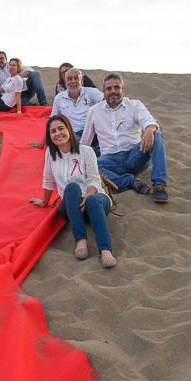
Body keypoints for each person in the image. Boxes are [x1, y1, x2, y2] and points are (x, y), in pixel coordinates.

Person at [29, 115, 116, 268]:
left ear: (69, 128)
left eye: (61, 128)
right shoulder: (50, 153)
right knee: (71, 187)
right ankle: (81, 240)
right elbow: (48, 179)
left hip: (95, 200)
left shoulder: (86, 151)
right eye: (53, 131)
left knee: (93, 200)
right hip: (71, 204)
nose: (57, 133)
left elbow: (95, 180)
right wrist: (44, 201)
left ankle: (105, 250)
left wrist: (88, 194)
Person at [81, 73, 169, 203]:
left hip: (135, 156)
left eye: (117, 87)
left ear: (123, 90)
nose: (113, 91)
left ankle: (159, 184)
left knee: (156, 135)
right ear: (104, 91)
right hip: (109, 160)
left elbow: (149, 122)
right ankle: (131, 182)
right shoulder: (94, 111)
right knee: (92, 166)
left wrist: (150, 129)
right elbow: (85, 143)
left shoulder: (135, 105)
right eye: (109, 88)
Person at [51, 68, 103, 144]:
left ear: (81, 82)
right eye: (69, 79)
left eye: (76, 78)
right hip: (73, 134)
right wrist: (43, 143)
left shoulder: (91, 92)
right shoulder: (59, 98)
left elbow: (106, 101)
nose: (73, 81)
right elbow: (53, 121)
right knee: (77, 146)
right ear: (65, 83)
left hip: (93, 131)